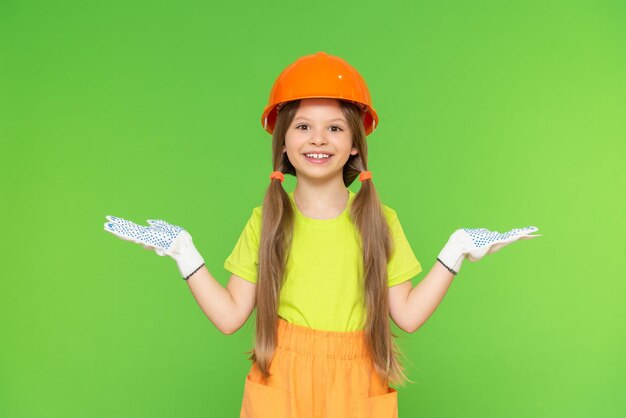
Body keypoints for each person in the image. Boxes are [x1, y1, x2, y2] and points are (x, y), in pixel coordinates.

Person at [103, 52, 541, 418]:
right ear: (284, 141)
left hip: (358, 378)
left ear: (354, 143)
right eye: (302, 126)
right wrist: (185, 254)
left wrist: (456, 250)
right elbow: (230, 316)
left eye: (334, 127)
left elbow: (406, 316)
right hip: (281, 372)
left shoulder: (380, 220)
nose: (318, 139)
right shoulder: (267, 219)